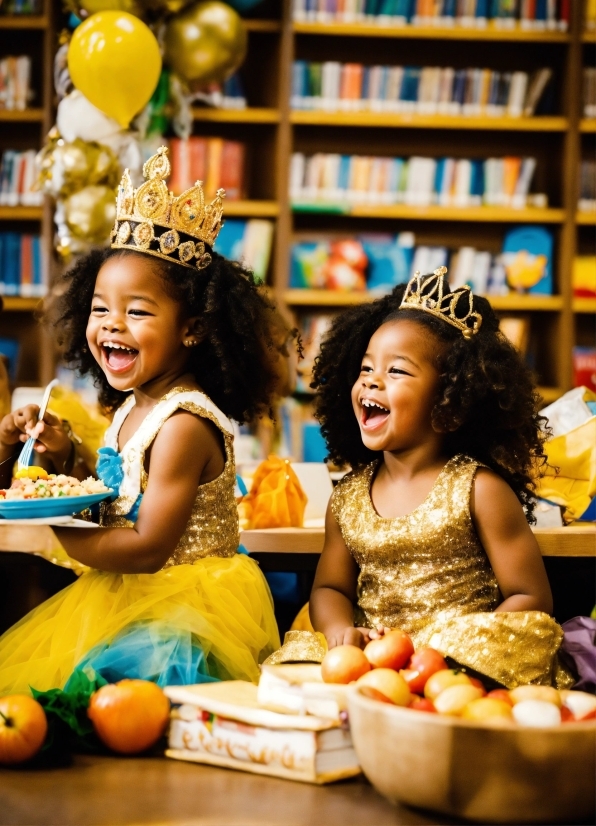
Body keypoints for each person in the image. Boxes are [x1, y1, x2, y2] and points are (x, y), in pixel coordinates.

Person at [0, 146, 285, 694]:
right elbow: (121, 493)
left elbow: (148, 546)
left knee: (113, 705)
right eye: (100, 308)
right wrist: (64, 458)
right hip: (126, 595)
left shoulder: (183, 424)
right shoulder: (136, 404)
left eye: (137, 311)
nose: (112, 325)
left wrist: (54, 525)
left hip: (180, 615)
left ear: (194, 329)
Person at [273, 269, 572, 688]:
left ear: (449, 402)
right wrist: (341, 632)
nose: (371, 380)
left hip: (456, 663)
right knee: (295, 664)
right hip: (374, 658)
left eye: (397, 371)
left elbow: (531, 598)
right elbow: (329, 588)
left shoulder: (479, 488)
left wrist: (452, 647)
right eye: (365, 368)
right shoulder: (348, 496)